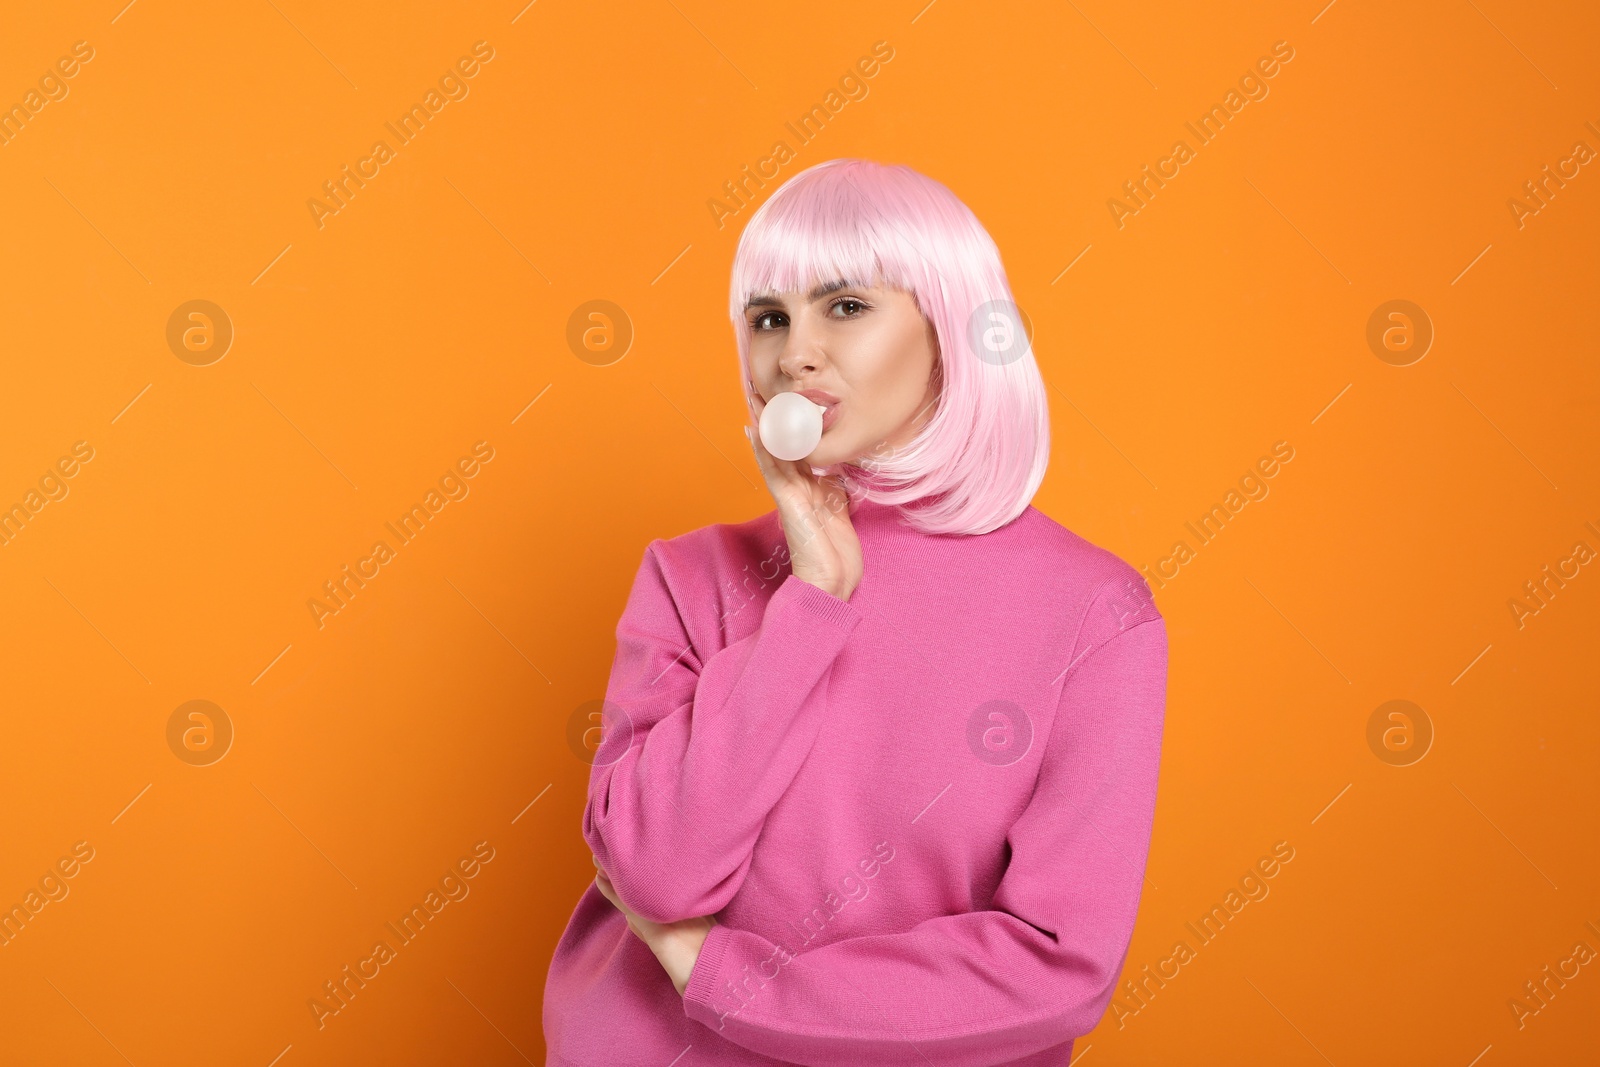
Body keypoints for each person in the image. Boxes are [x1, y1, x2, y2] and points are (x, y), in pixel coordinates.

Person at [542, 158, 1169, 1066]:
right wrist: (810, 602)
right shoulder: (688, 576)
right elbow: (657, 871)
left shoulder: (1095, 613)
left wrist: (722, 977)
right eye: (769, 317)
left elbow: (1056, 964)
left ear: (950, 329)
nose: (794, 352)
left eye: (844, 306)